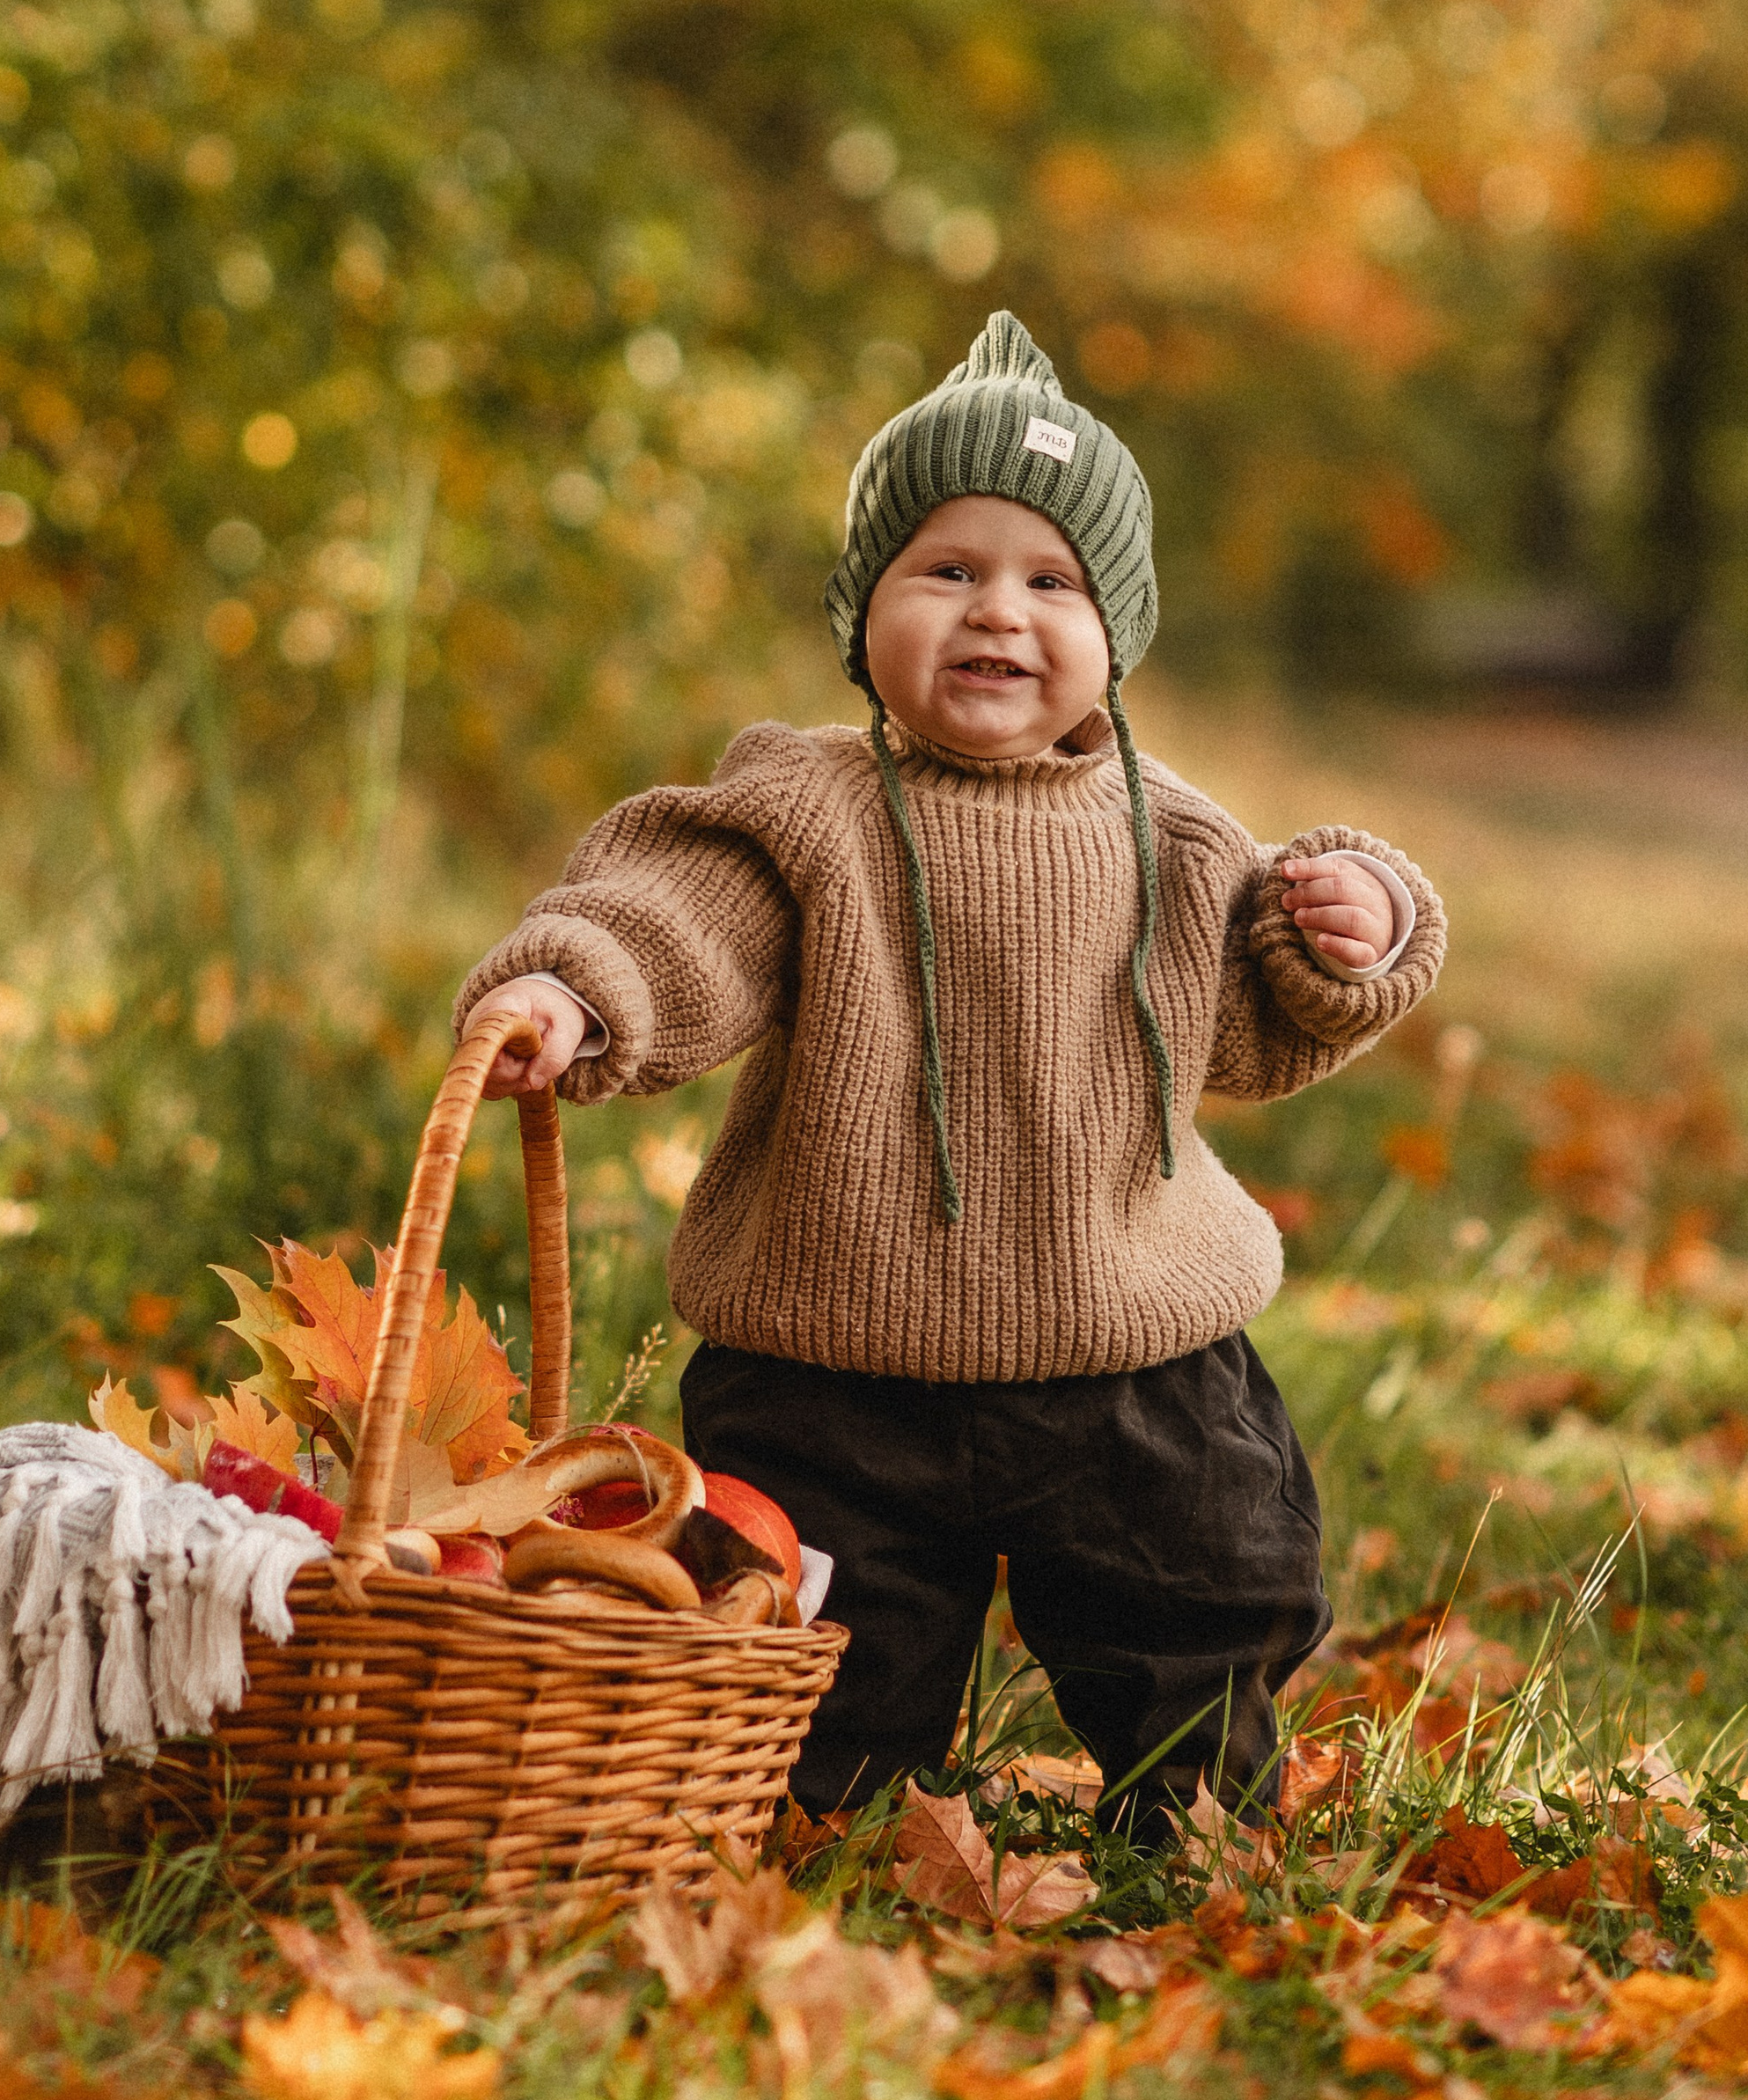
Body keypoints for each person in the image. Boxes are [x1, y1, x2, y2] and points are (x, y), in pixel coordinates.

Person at [454, 312, 1443, 1844]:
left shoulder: (1173, 838)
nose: (999, 612)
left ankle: (1193, 1825)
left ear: (1117, 632)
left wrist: (1352, 929)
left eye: (1054, 582)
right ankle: (828, 1821)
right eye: (948, 570)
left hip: (1132, 1355)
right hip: (833, 1365)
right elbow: (680, 916)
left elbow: (1257, 1025)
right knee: (817, 1669)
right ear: (864, 611)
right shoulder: (807, 807)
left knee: (1203, 1602)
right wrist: (578, 986)